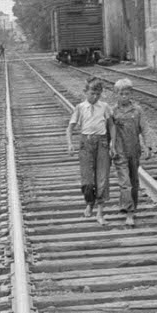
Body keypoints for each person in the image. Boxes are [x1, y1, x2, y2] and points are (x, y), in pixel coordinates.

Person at [66, 78, 112, 225]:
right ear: (85, 92)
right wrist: (70, 144)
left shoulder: (104, 107)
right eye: (92, 93)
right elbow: (70, 128)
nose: (95, 97)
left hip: (102, 142)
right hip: (86, 143)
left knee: (102, 177)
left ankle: (100, 212)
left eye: (98, 94)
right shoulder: (80, 108)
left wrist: (112, 144)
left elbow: (112, 126)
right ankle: (89, 202)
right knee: (87, 179)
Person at [108, 78, 152, 227]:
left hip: (134, 150)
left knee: (133, 181)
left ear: (131, 94)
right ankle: (130, 213)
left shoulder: (137, 110)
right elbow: (108, 131)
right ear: (116, 94)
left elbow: (144, 129)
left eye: (127, 93)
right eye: (121, 93)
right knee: (125, 183)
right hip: (120, 152)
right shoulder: (112, 111)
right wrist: (109, 148)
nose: (124, 96)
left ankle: (127, 204)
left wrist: (148, 146)